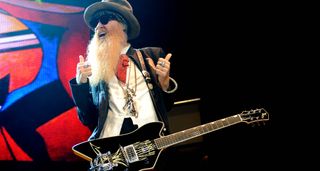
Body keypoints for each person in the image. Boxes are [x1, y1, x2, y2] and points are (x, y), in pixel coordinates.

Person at [69, 0, 178, 169]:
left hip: (151, 147)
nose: (98, 26)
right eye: (95, 23)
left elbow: (167, 107)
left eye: (104, 19)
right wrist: (81, 85)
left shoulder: (151, 57)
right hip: (111, 153)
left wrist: (164, 85)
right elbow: (88, 119)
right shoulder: (93, 70)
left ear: (123, 24)